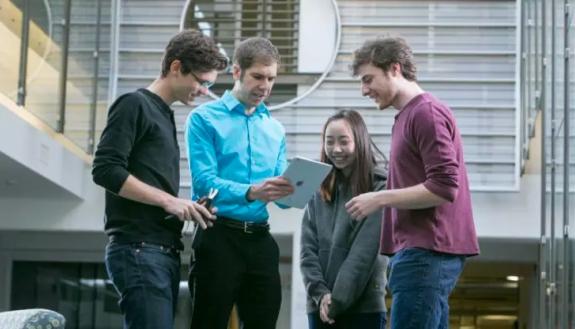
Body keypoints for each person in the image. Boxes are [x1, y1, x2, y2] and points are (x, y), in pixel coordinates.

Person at [92, 30, 228, 329]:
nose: (205, 91)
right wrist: (170, 201)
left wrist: (188, 207)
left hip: (161, 251)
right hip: (139, 250)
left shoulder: (165, 115)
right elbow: (105, 169)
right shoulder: (133, 104)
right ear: (176, 67)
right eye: (202, 82)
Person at [346, 37, 480, 329]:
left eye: (368, 79)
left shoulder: (425, 113)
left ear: (394, 69)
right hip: (421, 253)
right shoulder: (408, 116)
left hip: (426, 253)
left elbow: (445, 186)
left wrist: (379, 198)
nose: (364, 89)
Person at [185, 37, 294, 329]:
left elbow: (281, 198)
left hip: (260, 241)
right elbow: (204, 183)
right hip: (218, 237)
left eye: (271, 78)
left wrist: (297, 189)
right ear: (236, 72)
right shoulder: (203, 119)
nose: (265, 86)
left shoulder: (275, 129)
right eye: (258, 77)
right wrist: (250, 191)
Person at [300, 109, 389, 329]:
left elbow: (364, 254)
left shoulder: (380, 188)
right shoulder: (317, 186)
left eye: (344, 141)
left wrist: (335, 301)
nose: (336, 149)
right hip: (320, 307)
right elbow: (307, 251)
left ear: (359, 141)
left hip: (364, 308)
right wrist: (320, 295)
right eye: (329, 142)